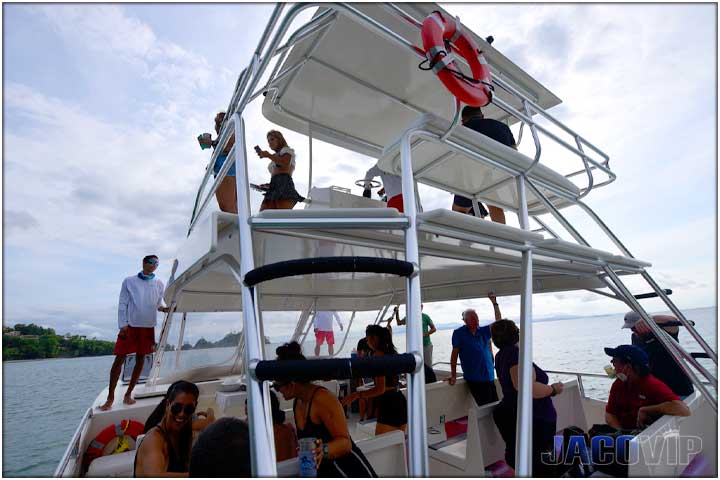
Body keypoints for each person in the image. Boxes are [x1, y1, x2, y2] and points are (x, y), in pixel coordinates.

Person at [274, 342, 376, 477]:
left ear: (291, 385)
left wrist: (323, 449)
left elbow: (345, 443)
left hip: (348, 470)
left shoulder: (323, 399)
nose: (277, 390)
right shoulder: (298, 402)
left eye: (277, 386)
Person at [491, 316, 562, 476]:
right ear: (515, 334)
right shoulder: (515, 355)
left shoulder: (501, 355)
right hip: (534, 419)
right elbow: (526, 388)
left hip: (515, 413)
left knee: (523, 457)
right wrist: (553, 389)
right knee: (541, 465)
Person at [99, 255, 169, 411]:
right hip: (130, 326)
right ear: (144, 263)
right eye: (151, 262)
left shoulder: (159, 283)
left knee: (141, 359)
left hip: (148, 326)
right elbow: (122, 303)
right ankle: (110, 398)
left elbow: (159, 304)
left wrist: (164, 308)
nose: (153, 265)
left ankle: (128, 394)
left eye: (156, 263)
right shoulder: (129, 281)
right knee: (119, 359)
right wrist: (122, 324)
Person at [453, 106, 518, 224]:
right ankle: (502, 238)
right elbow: (515, 154)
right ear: (482, 116)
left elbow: (455, 158)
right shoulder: (503, 127)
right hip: (498, 177)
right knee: (495, 207)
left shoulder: (461, 131)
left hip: (471, 177)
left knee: (459, 210)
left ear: (463, 120)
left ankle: (463, 237)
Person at [604, 344, 690, 430]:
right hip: (625, 434)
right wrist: (622, 434)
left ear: (628, 367)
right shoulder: (618, 384)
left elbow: (683, 409)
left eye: (614, 361)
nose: (613, 365)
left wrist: (646, 410)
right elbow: (610, 415)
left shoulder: (651, 384)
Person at [343, 325, 408, 435]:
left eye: (368, 338)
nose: (367, 341)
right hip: (399, 400)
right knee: (398, 443)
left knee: (382, 444)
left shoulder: (378, 356)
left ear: (374, 339)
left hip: (388, 403)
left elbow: (380, 389)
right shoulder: (392, 353)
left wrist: (355, 395)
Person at [135, 381, 200, 477]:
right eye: (177, 407)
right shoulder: (153, 439)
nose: (182, 413)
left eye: (188, 409)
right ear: (168, 404)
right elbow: (154, 476)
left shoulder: (185, 433)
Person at [622, 311, 694, 397]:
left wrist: (649, 319)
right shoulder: (635, 337)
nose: (633, 330)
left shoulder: (664, 332)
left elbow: (673, 320)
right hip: (656, 389)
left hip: (678, 388)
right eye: (631, 329)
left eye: (634, 327)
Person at [448, 293, 502, 405]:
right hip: (475, 379)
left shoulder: (483, 331)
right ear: (466, 321)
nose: (477, 319)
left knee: (495, 406)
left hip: (490, 376)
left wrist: (494, 303)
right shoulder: (459, 334)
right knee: (487, 408)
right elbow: (454, 356)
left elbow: (499, 323)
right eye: (473, 318)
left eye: (476, 317)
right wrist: (453, 375)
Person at [254, 130, 304, 211]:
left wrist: (268, 155)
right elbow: (277, 174)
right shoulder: (275, 156)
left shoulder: (286, 150)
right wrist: (269, 185)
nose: (270, 143)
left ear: (279, 139)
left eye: (272, 139)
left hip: (284, 186)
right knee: (263, 214)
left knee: (280, 217)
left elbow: (285, 164)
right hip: (274, 187)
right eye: (268, 141)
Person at [198, 111, 238, 213]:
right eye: (217, 123)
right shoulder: (221, 139)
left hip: (227, 171)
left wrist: (211, 143)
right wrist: (211, 166)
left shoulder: (231, 132)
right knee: (225, 206)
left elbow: (230, 145)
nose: (217, 125)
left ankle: (238, 227)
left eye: (220, 122)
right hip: (223, 171)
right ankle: (237, 226)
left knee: (227, 207)